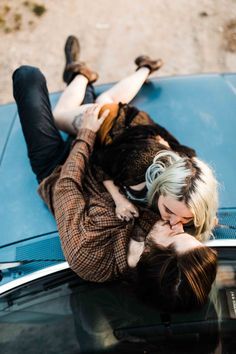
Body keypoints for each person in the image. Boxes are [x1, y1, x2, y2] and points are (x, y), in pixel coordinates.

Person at [12, 35, 218, 312]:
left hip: (58, 169)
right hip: (102, 158)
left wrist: (87, 134)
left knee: (28, 76)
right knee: (97, 107)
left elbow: (66, 187)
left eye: (176, 234)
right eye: (188, 232)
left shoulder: (90, 257)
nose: (178, 226)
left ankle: (80, 74)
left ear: (150, 253)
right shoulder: (166, 227)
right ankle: (81, 78)